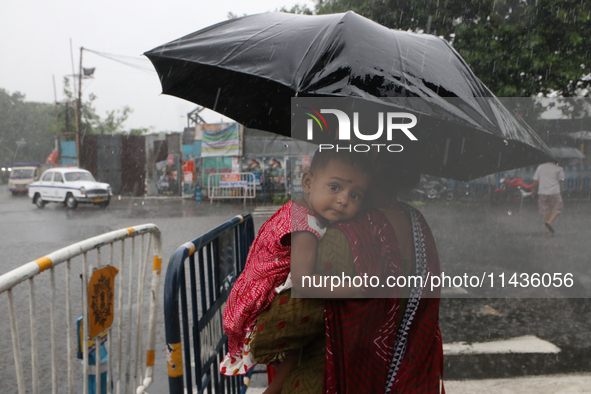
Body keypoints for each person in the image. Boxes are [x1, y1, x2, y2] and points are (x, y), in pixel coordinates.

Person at [249, 154, 444, 394]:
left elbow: (280, 330)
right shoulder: (418, 223)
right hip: (402, 374)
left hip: (330, 377)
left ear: (371, 172)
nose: (342, 198)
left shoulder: (349, 234)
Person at [220, 150, 372, 391]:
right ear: (308, 182)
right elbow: (304, 282)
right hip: (259, 305)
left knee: (293, 357)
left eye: (355, 195)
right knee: (298, 348)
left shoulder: (300, 209)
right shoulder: (305, 226)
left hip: (250, 294)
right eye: (334, 187)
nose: (343, 199)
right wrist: (356, 288)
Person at [532, 162, 565, 235]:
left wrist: (534, 190)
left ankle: (547, 229)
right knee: (558, 207)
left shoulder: (540, 167)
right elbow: (562, 179)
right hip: (554, 191)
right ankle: (549, 222)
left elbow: (535, 180)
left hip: (542, 191)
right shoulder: (558, 168)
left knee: (545, 209)